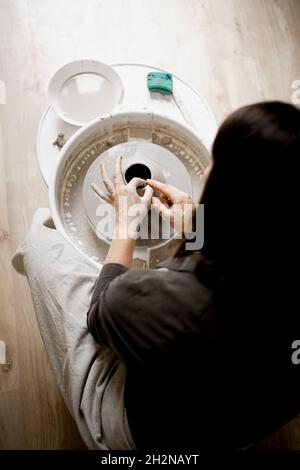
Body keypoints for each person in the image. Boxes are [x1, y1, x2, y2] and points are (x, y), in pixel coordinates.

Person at [12, 101, 300, 450]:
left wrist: (124, 226)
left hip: (149, 437)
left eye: (215, 163)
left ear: (226, 191)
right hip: (236, 422)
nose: (208, 171)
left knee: (41, 240)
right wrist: (198, 230)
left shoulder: (171, 303)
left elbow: (102, 312)